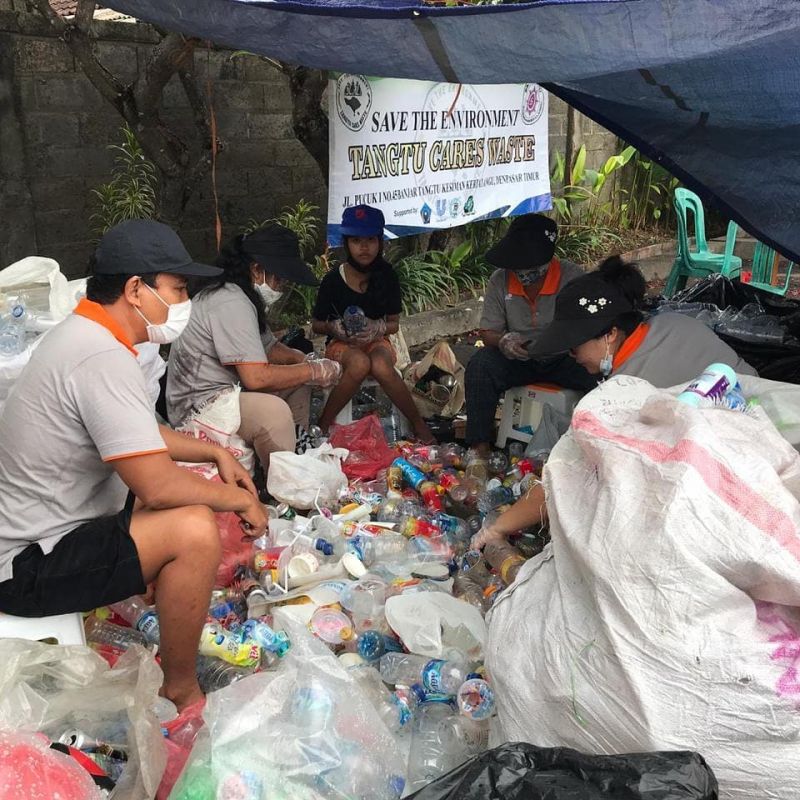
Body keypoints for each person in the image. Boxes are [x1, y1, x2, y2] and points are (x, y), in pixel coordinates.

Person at [0, 219, 268, 711]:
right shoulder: (99, 354)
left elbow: (137, 436)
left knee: (170, 501)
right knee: (192, 528)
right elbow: (159, 483)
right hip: (24, 565)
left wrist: (214, 452)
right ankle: (181, 690)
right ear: (135, 289)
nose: (184, 301)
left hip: (46, 534)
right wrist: (239, 500)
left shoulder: (88, 337)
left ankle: (161, 619)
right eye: (178, 288)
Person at [472, 255, 758, 549]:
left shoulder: (623, 393)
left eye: (574, 348)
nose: (573, 356)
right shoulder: (674, 323)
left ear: (609, 334)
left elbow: (565, 477)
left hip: (738, 469)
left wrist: (499, 527)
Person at [167, 224, 342, 467]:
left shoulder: (240, 295)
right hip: (200, 406)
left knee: (298, 383)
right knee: (274, 413)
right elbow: (256, 378)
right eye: (278, 279)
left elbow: (268, 346)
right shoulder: (229, 301)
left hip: (225, 394)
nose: (280, 287)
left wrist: (302, 360)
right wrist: (314, 370)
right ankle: (282, 484)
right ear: (257, 270)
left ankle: (295, 454)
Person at [464, 214, 597, 456]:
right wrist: (504, 341)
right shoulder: (500, 280)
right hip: (520, 358)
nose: (522, 273)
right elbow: (489, 331)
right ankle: (479, 449)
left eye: (529, 265)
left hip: (565, 357)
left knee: (601, 375)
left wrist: (560, 343)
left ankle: (592, 446)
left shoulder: (572, 277)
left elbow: (588, 327)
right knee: (480, 364)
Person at [311, 204, 435, 442]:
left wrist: (376, 328)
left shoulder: (387, 275)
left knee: (378, 363)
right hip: (341, 344)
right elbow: (316, 325)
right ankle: (322, 427)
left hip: (377, 341)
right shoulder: (333, 280)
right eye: (356, 240)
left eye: (370, 239)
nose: (364, 247)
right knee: (358, 363)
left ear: (380, 241)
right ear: (347, 243)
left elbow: (393, 324)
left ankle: (418, 425)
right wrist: (333, 327)